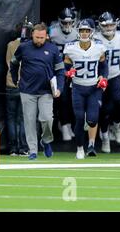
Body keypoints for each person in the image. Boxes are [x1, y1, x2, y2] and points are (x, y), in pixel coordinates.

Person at [10, 23, 64, 160]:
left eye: (42, 37)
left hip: (46, 90)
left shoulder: (53, 49)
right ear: (32, 35)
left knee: (47, 119)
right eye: (37, 37)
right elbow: (14, 63)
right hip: (27, 90)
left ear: (46, 36)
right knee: (29, 121)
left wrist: (59, 88)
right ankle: (32, 150)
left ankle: (45, 140)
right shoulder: (23, 47)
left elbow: (60, 71)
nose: (39, 40)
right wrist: (15, 79)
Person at [63, 19, 108, 159]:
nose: (84, 33)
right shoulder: (70, 48)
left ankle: (91, 144)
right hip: (77, 87)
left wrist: (103, 77)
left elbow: (103, 66)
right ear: (78, 32)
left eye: (87, 30)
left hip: (94, 88)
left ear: (92, 32)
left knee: (92, 120)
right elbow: (65, 66)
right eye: (82, 30)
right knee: (79, 117)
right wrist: (68, 72)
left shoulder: (98, 47)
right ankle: (80, 148)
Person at [94, 11, 120, 152]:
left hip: (116, 74)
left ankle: (117, 126)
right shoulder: (95, 37)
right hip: (100, 76)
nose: (109, 28)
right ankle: (105, 137)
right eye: (106, 25)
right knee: (103, 109)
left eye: (111, 25)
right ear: (100, 26)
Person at [49, 7, 78, 141]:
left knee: (73, 100)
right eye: (64, 23)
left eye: (70, 22)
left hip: (74, 70)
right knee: (62, 99)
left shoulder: (78, 33)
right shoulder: (53, 32)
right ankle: (64, 125)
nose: (67, 25)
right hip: (58, 70)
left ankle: (68, 124)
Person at [5, 20, 31, 156]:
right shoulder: (29, 46)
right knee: (22, 117)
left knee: (11, 117)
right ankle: (22, 148)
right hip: (24, 84)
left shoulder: (10, 44)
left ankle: (13, 148)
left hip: (11, 83)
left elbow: (8, 62)